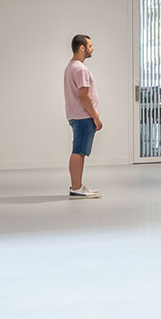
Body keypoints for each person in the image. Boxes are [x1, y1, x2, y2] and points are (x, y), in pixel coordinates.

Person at [63, 34, 102, 198]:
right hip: (83, 117)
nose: (92, 49)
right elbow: (84, 96)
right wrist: (96, 117)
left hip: (77, 116)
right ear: (82, 48)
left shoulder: (71, 66)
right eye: (90, 46)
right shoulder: (80, 69)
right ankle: (76, 188)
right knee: (78, 151)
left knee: (80, 151)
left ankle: (78, 186)